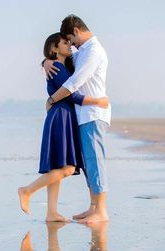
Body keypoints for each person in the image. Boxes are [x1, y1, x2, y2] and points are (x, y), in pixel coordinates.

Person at [18, 33, 109, 221]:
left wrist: (44, 61)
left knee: (57, 166)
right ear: (54, 48)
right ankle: (27, 190)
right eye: (65, 43)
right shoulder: (58, 67)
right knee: (67, 168)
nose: (70, 45)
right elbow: (70, 94)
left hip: (63, 116)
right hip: (61, 116)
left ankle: (51, 212)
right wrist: (97, 101)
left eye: (69, 42)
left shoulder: (62, 65)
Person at [44, 15, 111, 224]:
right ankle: (93, 207)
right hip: (83, 115)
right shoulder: (82, 51)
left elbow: (74, 83)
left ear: (76, 31)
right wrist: (46, 61)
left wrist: (52, 99)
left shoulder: (93, 51)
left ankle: (101, 210)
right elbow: (60, 60)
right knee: (89, 163)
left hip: (93, 114)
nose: (71, 45)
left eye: (71, 40)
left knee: (96, 162)